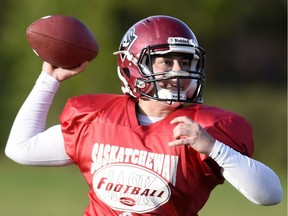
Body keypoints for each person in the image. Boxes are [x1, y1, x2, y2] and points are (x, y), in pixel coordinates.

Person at [5, 15, 283, 216]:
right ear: (132, 65)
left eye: (185, 62)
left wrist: (214, 148)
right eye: (166, 60)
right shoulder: (97, 118)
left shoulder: (206, 128)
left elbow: (271, 195)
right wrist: (48, 80)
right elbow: (20, 149)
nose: (177, 71)